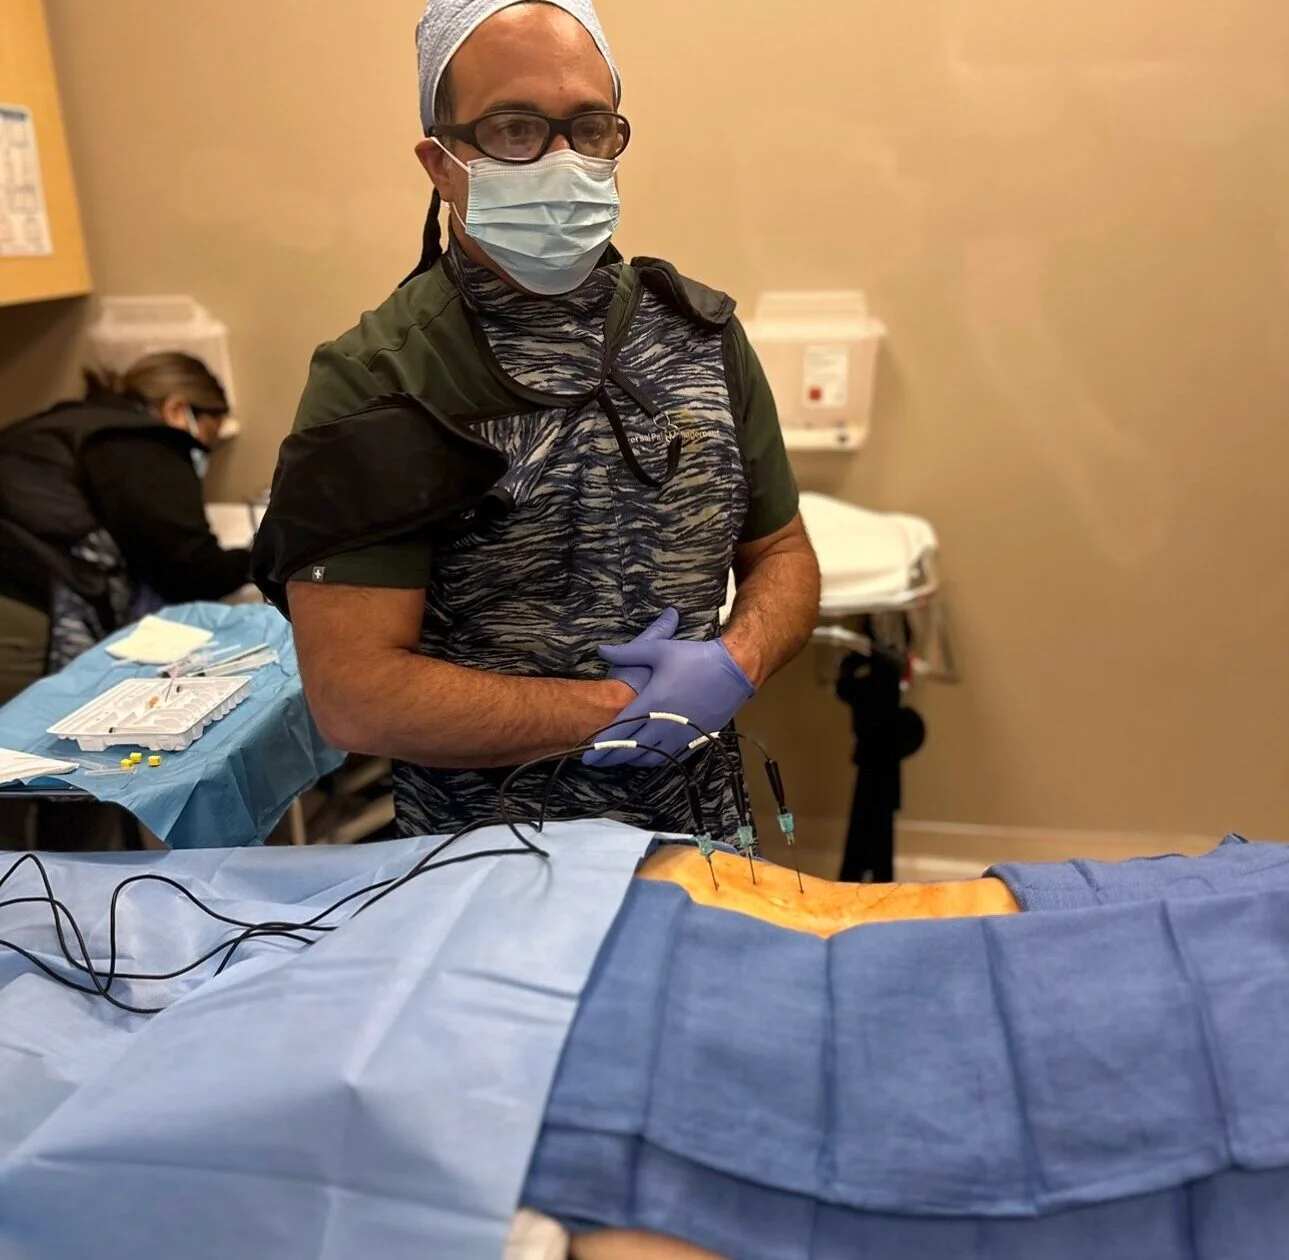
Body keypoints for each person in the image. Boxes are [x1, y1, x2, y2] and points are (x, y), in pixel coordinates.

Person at [253, 0, 821, 840]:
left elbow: (782, 552)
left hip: (702, 839)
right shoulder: (381, 378)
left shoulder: (701, 337)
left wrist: (734, 664)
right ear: (440, 164)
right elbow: (354, 696)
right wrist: (620, 710)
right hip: (484, 861)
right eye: (516, 128)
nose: (563, 159)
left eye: (589, 127)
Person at [0, 352, 251, 702]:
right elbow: (192, 570)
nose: (204, 452)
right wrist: (261, 554)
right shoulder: (143, 444)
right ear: (177, 410)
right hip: (23, 607)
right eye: (206, 438)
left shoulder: (70, 422)